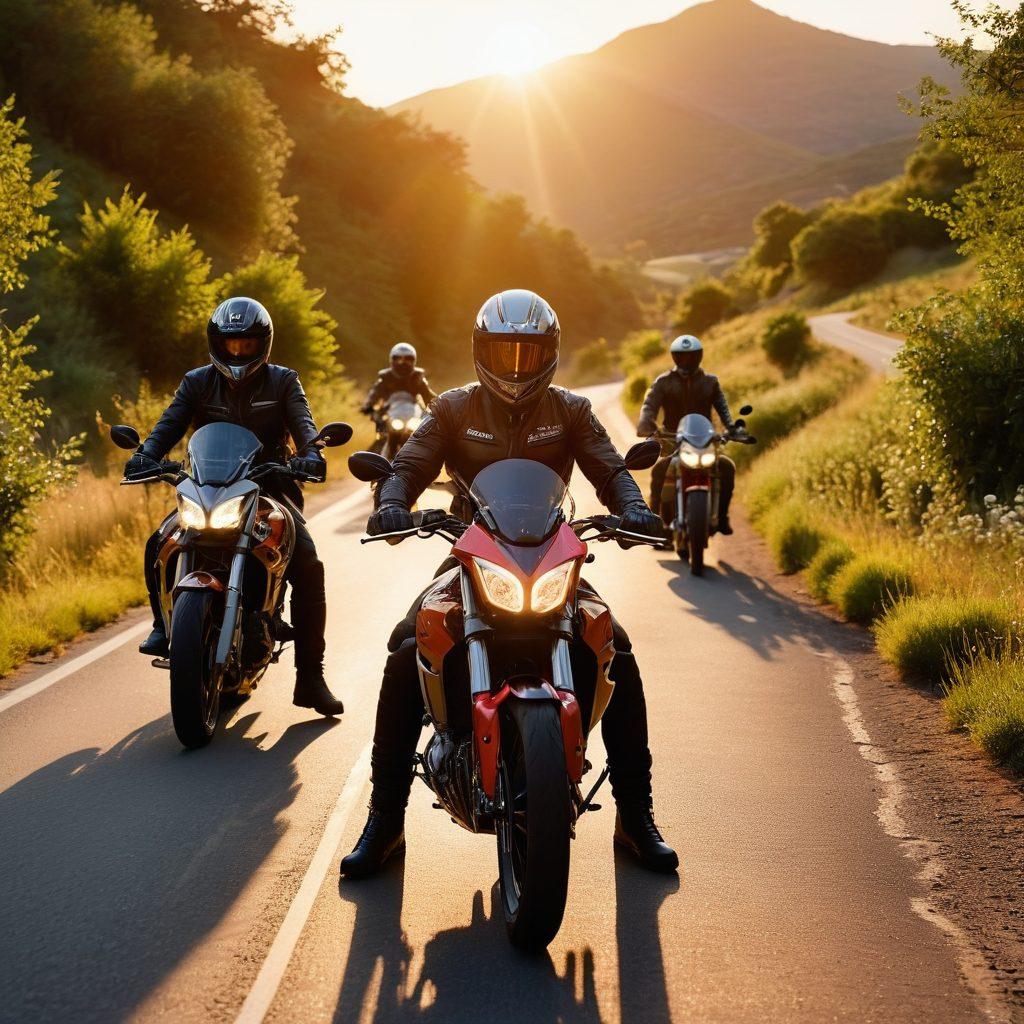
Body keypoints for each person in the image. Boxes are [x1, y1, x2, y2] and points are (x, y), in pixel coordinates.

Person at [340, 289, 678, 879]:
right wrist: (392, 501)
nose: (516, 366)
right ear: (482, 351)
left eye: (529, 352)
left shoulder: (571, 411)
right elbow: (411, 463)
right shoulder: (453, 408)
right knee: (405, 646)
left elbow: (609, 468)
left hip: (552, 555)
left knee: (615, 647)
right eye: (504, 351)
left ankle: (636, 816)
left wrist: (634, 508)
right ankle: (385, 820)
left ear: (550, 352)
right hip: (473, 556)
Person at [123, 296, 345, 716]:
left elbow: (304, 424)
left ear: (263, 343)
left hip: (269, 488)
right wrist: (146, 454)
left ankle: (310, 678)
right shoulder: (197, 382)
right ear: (217, 343)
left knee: (308, 565)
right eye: (231, 343)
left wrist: (311, 455)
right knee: (158, 543)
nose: (238, 351)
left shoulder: (283, 381)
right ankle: (161, 626)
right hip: (207, 488)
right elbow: (169, 423)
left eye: (247, 344)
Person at [637, 334, 738, 535]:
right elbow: (649, 405)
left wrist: (731, 428)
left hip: (704, 441)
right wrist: (646, 424)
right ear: (675, 357)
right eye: (682, 356)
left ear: (699, 356)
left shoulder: (710, 382)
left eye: (691, 356)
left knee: (727, 467)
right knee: (659, 471)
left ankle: (722, 517)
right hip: (672, 440)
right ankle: (654, 524)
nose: (687, 360)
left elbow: (723, 409)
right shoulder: (663, 382)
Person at [361, 343, 437, 453]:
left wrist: (438, 404)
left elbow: (428, 395)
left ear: (414, 360)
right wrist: (368, 406)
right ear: (392, 360)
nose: (402, 363)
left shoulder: (418, 378)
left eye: (408, 359)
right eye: (398, 359)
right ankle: (371, 460)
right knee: (380, 440)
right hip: (389, 414)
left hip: (413, 413)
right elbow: (374, 394)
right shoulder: (385, 377)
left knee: (428, 440)